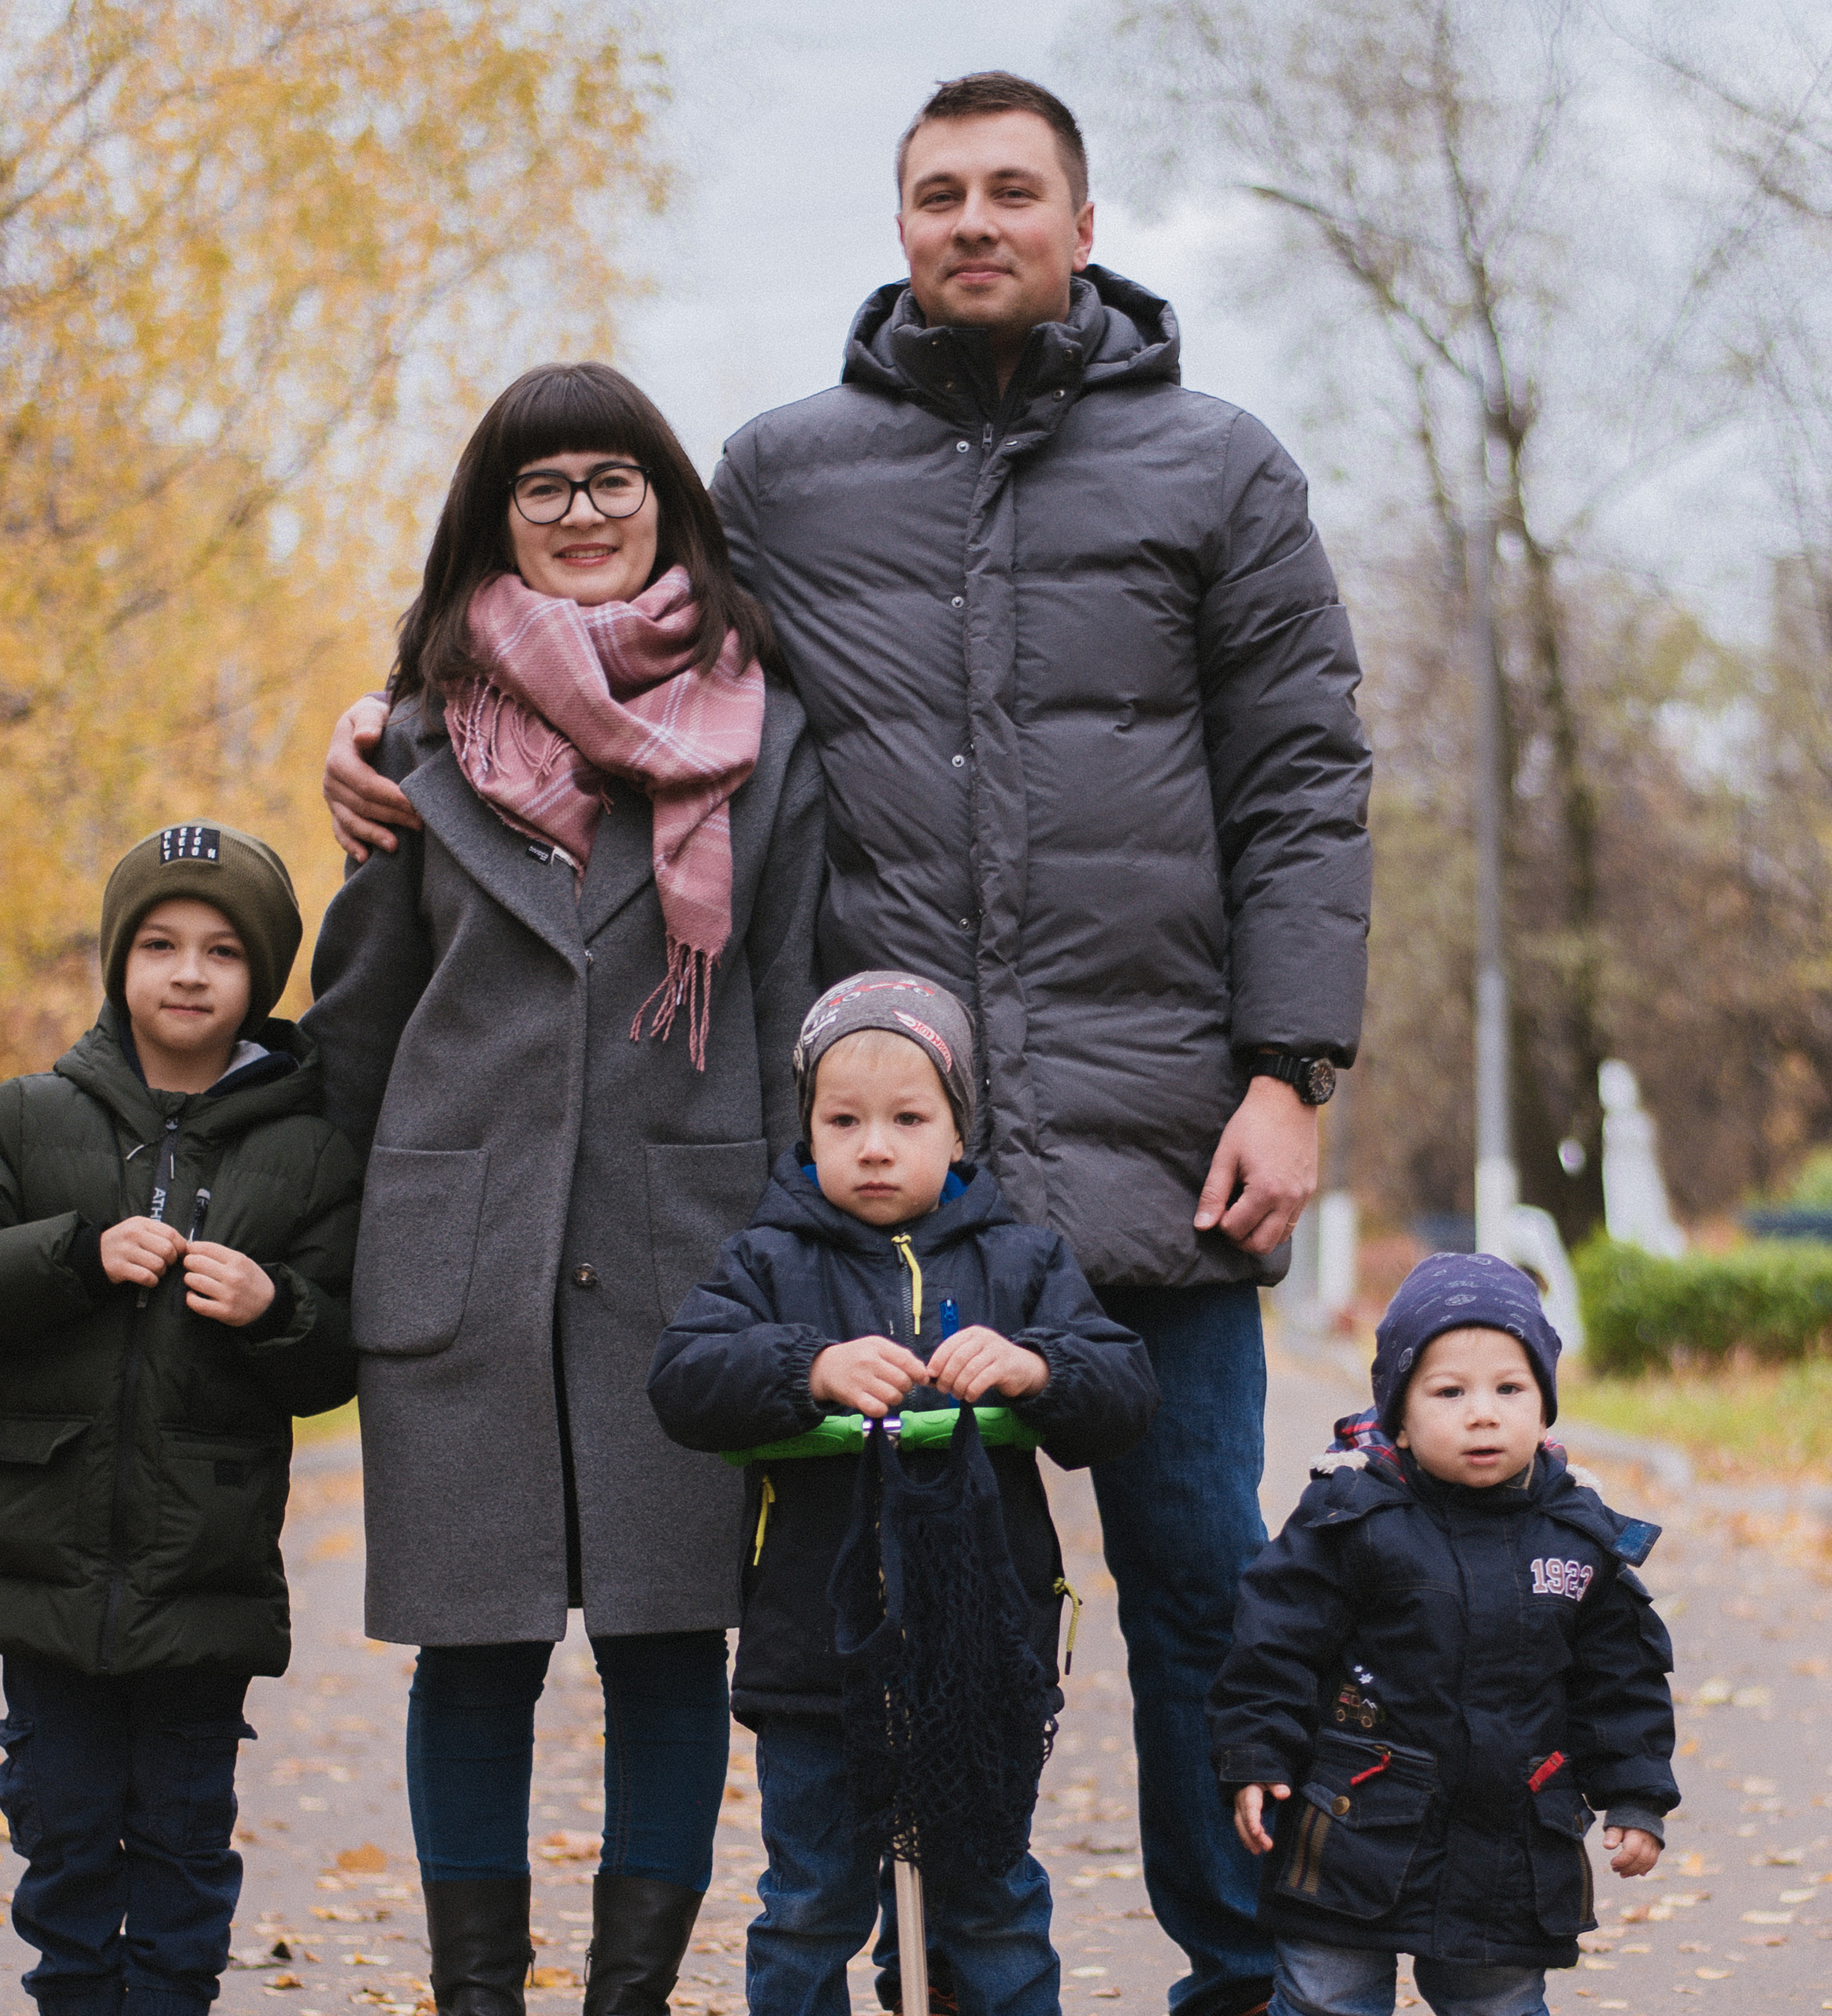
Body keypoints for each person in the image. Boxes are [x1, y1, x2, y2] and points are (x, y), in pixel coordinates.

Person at [320, 72, 1370, 2016]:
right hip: (871, 1188)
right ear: (899, 225)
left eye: (1008, 190)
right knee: (865, 1635)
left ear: (1077, 214)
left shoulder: (1219, 466)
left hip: (1160, 1153)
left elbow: (1302, 782)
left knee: (1203, 1593)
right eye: (935, 193)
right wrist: (385, 727)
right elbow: (613, 651)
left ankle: (1255, 1982)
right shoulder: (785, 474)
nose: (971, 221)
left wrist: (1286, 1068)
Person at [301, 361, 823, 2016]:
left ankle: (625, 1998)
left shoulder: (762, 733)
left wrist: (804, 1258)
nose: (583, 513)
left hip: (689, 1254)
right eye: (546, 487)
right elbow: (355, 1026)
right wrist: (307, 1252)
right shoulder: (407, 738)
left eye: (613, 480)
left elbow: (800, 1003)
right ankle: (475, 1997)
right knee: (474, 1653)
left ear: (666, 502)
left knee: (670, 1646)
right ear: (496, 518)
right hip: (458, 1258)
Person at [0, 823, 362, 2016]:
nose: (189, 971)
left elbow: (340, 1353)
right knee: (65, 1825)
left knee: (185, 1836)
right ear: (120, 963)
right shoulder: (32, 1118)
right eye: (159, 943)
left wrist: (276, 1304)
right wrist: (72, 1254)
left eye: (220, 950)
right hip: (40, 1566)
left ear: (260, 976)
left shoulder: (308, 1151)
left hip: (202, 1572)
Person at [647, 970, 1161, 2016]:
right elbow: (683, 1381)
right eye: (844, 1120)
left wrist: (1036, 1368)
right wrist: (809, 1370)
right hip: (817, 1661)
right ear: (810, 1128)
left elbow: (1124, 1391)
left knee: (992, 1903)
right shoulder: (766, 1260)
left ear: (958, 1131)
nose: (874, 1144)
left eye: (906, 1118)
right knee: (810, 1904)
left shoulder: (1025, 1261)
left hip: (981, 1661)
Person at [1209, 1254, 1678, 2016]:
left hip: (1508, 1847)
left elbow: (1619, 1681)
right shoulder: (1350, 1516)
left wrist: (1634, 1796)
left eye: (1509, 1388)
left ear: (1545, 1402)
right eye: (1448, 1391)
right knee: (1326, 1997)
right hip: (1353, 1827)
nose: (1482, 1412)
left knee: (1496, 2003)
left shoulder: (1576, 1536)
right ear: (1398, 1410)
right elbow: (1274, 1644)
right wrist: (1256, 1753)